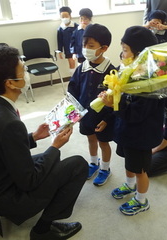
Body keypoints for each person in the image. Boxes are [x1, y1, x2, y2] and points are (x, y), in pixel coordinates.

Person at [0, 45, 88, 239]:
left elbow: (1, 148)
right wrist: (55, 146)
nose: (26, 74)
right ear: (10, 83)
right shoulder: (8, 122)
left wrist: (33, 137)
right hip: (7, 197)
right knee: (77, 165)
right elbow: (29, 181)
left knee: (48, 160)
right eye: (22, 71)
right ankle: (43, 230)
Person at [101, 26, 165, 216]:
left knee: (140, 169)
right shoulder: (130, 71)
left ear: (141, 53)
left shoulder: (149, 82)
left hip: (141, 135)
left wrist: (114, 105)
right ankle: (130, 186)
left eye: (126, 49)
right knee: (129, 162)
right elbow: (124, 103)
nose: (122, 53)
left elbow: (137, 114)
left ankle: (141, 200)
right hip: (127, 131)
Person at [68, 24, 115, 186]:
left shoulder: (112, 72)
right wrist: (74, 112)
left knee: (103, 143)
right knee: (91, 140)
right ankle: (93, 163)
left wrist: (108, 119)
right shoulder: (82, 68)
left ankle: (105, 169)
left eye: (91, 46)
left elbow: (116, 100)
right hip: (86, 116)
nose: (86, 49)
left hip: (103, 119)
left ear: (104, 48)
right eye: (84, 45)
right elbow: (72, 89)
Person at [57, 6, 78, 76]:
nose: (64, 18)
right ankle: (73, 78)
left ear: (70, 16)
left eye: (66, 16)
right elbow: (59, 40)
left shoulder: (76, 26)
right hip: (68, 49)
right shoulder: (60, 28)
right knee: (71, 63)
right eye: (62, 16)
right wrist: (60, 51)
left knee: (81, 63)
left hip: (78, 47)